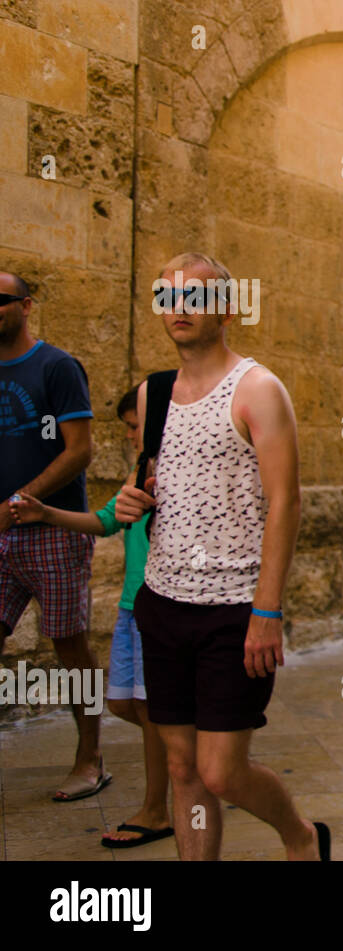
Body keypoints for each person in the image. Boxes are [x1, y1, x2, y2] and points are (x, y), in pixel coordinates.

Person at [112, 251, 327, 861]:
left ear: (227, 309)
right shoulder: (154, 393)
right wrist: (135, 499)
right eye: (168, 296)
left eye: (195, 296)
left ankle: (301, 835)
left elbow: (285, 502)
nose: (179, 309)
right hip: (162, 601)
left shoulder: (258, 389)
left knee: (222, 772)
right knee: (181, 767)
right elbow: (158, 479)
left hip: (234, 610)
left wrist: (268, 610)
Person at [9, 384, 174, 847]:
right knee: (123, 704)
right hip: (130, 608)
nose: (127, 435)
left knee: (149, 708)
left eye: (133, 425)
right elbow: (104, 521)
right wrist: (48, 513)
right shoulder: (138, 471)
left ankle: (157, 807)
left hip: (158, 609)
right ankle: (190, 750)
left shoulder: (180, 474)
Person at [0, 270, 107, 802]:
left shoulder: (56, 366)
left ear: (26, 305)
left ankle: (90, 757)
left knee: (69, 645)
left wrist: (22, 503)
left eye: (2, 299)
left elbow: (80, 449)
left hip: (52, 531)